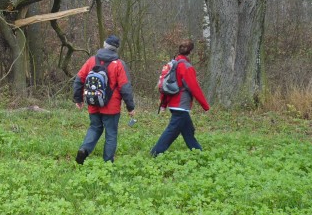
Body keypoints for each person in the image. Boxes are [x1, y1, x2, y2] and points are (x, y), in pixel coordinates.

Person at [72, 34, 135, 164]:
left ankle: (84, 149)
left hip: (93, 103)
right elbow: (125, 88)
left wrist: (78, 99)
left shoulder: (91, 60)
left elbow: (79, 79)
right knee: (111, 134)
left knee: (95, 127)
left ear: (104, 45)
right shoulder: (119, 64)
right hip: (111, 108)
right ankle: (107, 163)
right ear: (116, 48)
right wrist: (130, 107)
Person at [150, 39, 210, 156]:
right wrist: (205, 106)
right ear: (190, 52)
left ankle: (198, 152)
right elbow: (194, 88)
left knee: (188, 130)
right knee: (171, 131)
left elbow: (166, 85)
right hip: (181, 105)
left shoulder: (171, 64)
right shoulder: (186, 66)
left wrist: (163, 104)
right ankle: (155, 153)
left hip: (174, 104)